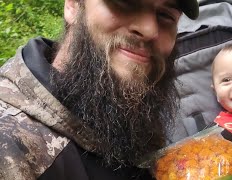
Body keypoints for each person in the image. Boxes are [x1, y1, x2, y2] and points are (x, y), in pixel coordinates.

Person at [0, 0, 199, 179]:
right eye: (125, 4)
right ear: (73, 5)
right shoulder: (10, 148)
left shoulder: (134, 104)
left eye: (165, 15)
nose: (149, 29)